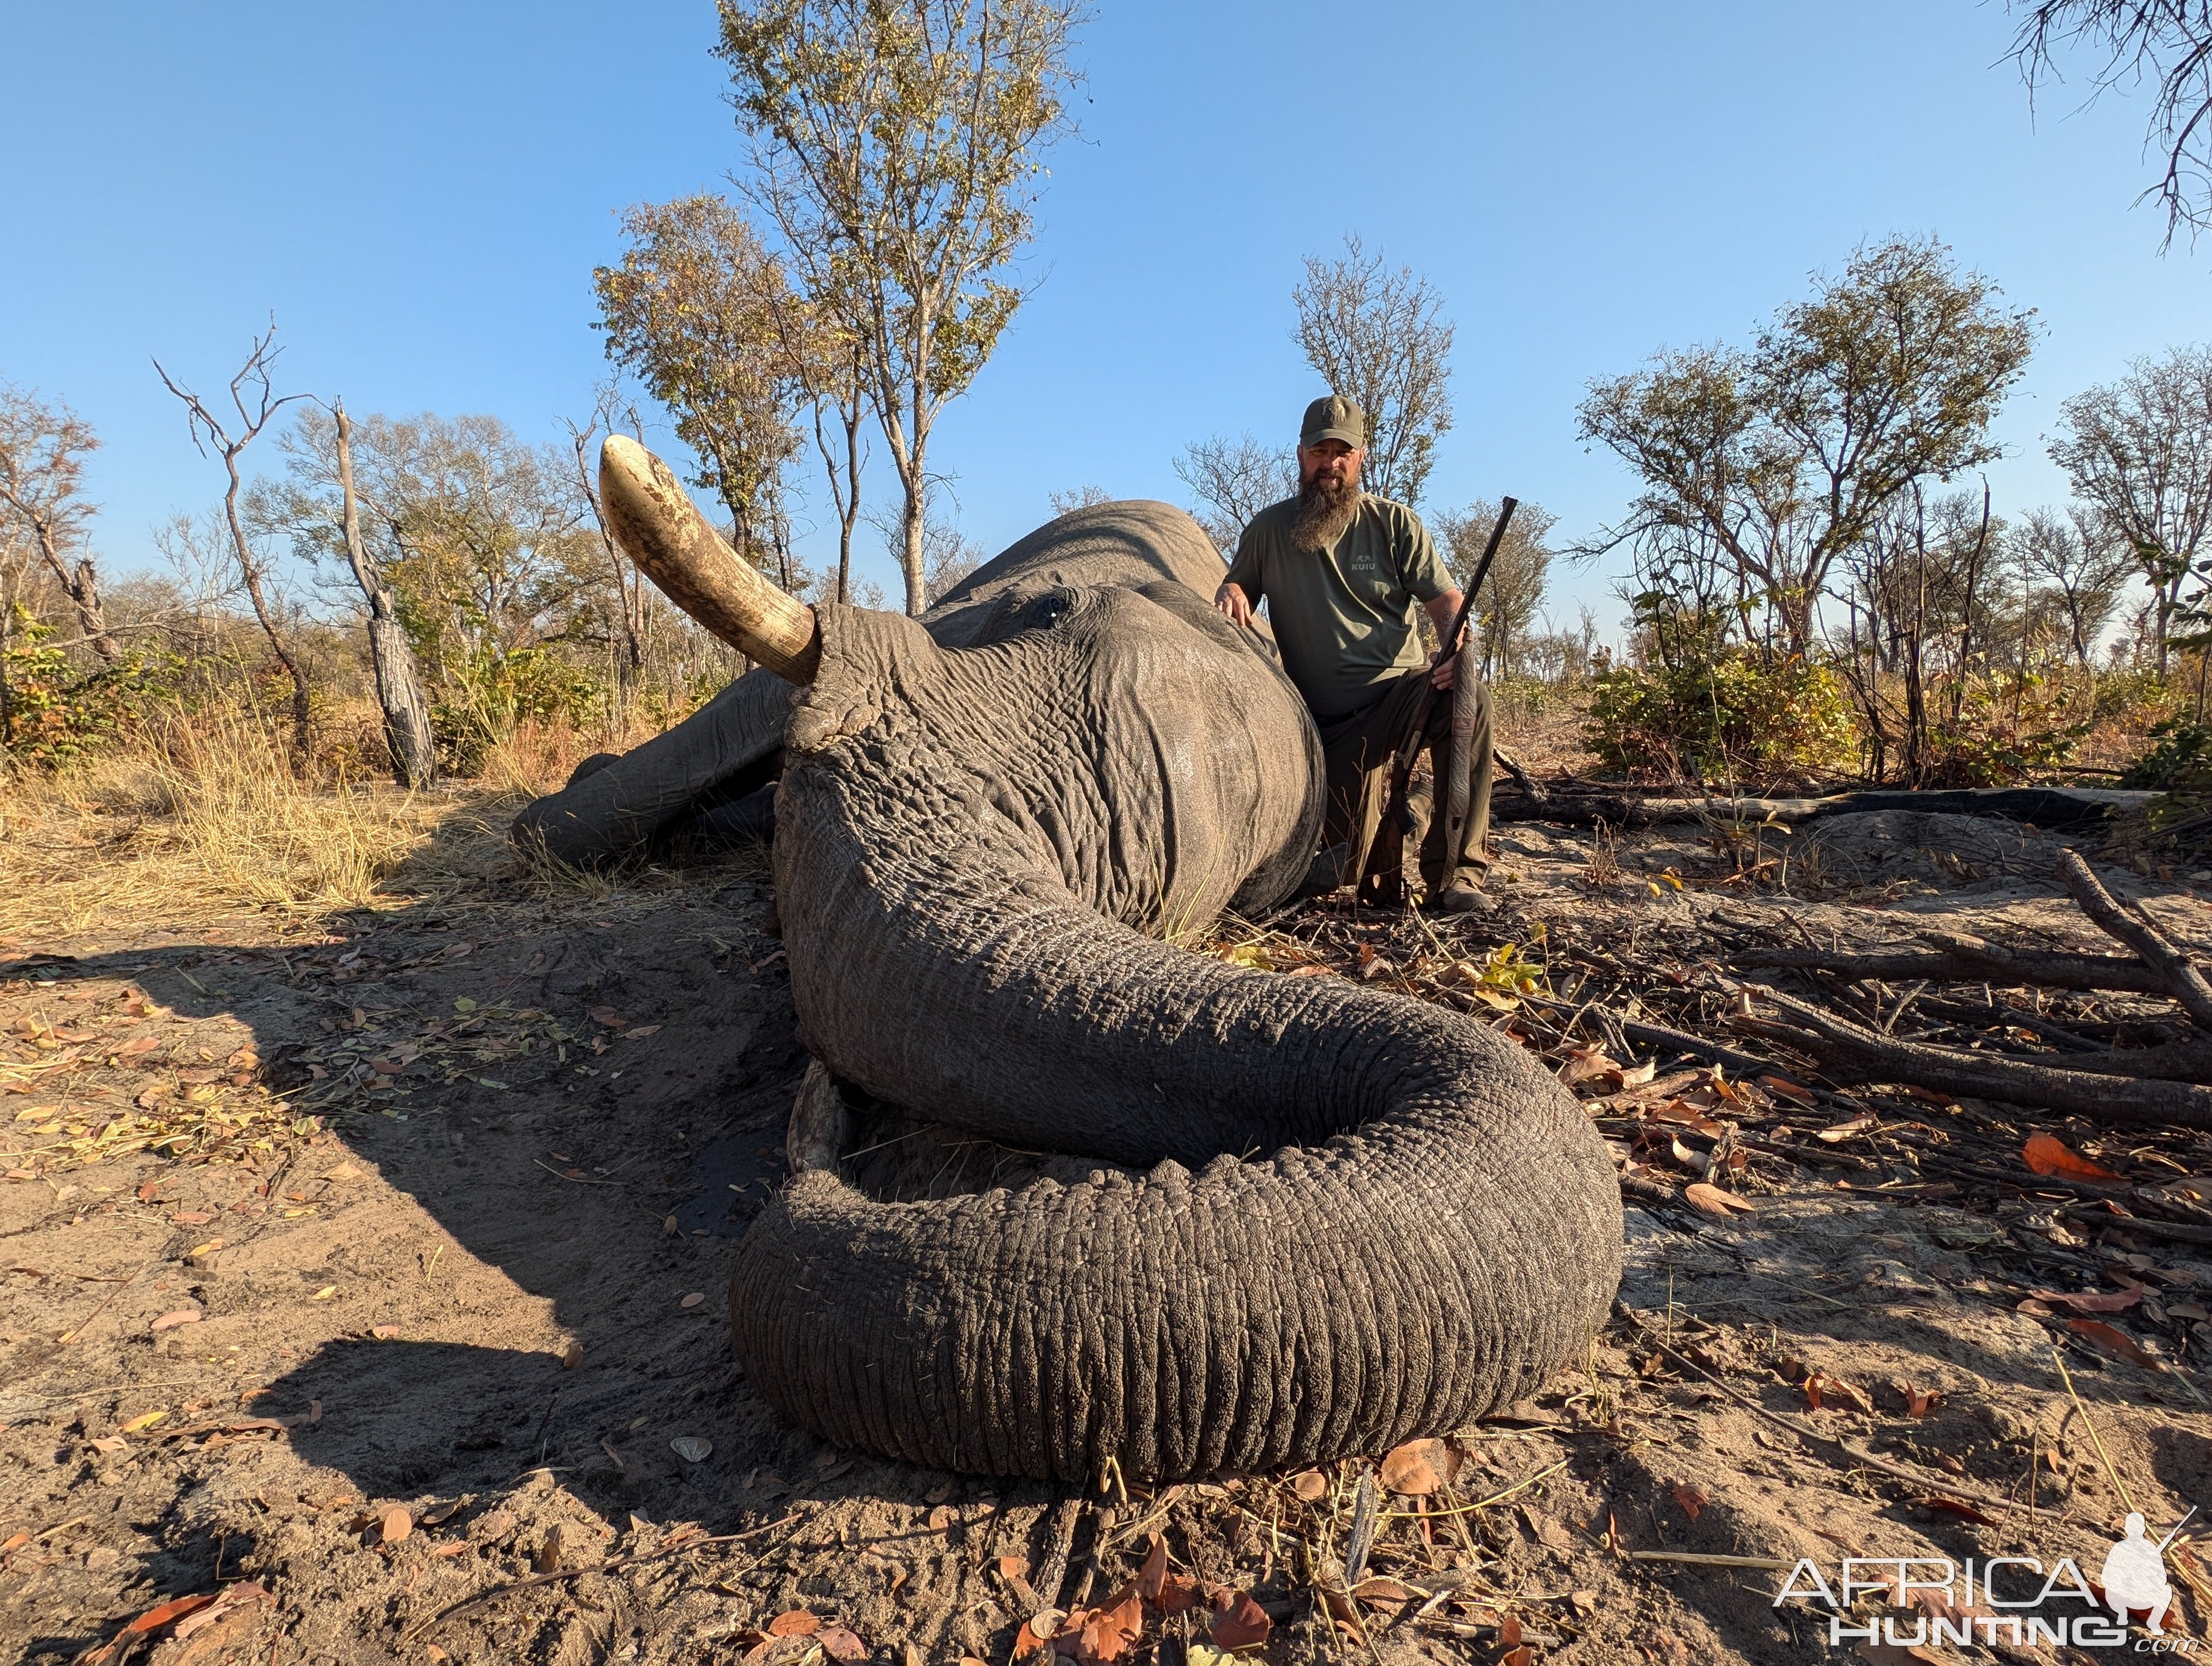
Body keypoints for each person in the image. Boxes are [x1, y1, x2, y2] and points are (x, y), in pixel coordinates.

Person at [1213, 394, 1494, 913]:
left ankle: (1457, 877)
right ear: (1301, 455)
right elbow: (1239, 588)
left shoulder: (1396, 524)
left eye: (1343, 452)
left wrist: (1458, 648)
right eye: (1320, 451)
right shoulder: (1268, 530)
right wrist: (1233, 592)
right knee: (1344, 870)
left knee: (1469, 699)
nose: (1331, 464)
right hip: (1321, 725)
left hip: (1399, 697)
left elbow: (1447, 601)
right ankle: (1418, 808)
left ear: (1361, 457)